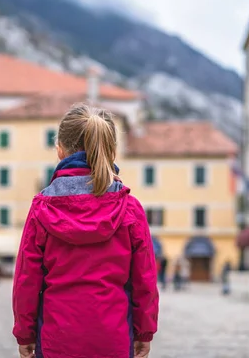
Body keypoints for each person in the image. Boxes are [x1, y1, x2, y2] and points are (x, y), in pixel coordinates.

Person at [12, 103, 159, 358]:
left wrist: (25, 333)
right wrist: (144, 332)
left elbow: (26, 280)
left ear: (60, 151)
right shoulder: (129, 209)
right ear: (112, 152)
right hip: (113, 340)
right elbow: (144, 281)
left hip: (56, 341)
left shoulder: (41, 208)